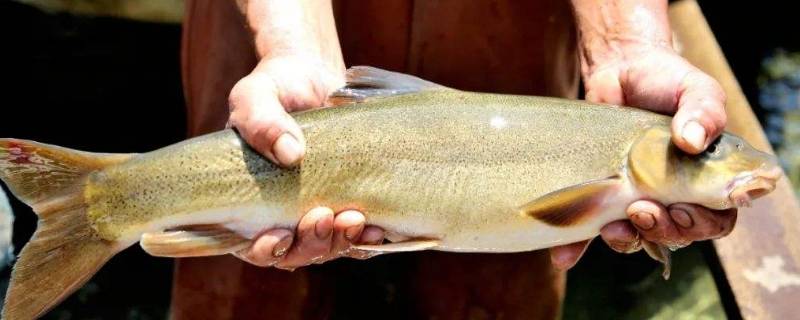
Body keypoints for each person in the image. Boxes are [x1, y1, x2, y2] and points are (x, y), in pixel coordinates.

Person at [173, 0, 736, 318]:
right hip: (284, 20)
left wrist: (626, 44)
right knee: (244, 287)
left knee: (495, 288)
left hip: (523, 32)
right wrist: (291, 43)